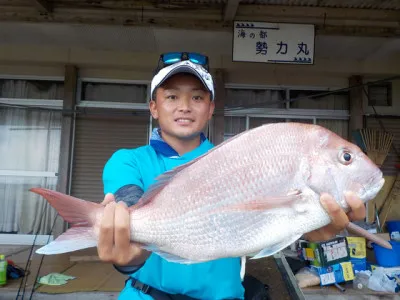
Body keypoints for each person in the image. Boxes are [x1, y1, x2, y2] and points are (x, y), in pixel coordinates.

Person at [98, 52, 366, 300]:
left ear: (211, 108)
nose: (184, 107)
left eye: (197, 97)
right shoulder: (127, 160)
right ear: (153, 107)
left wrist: (305, 228)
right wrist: (128, 254)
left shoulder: (239, 161)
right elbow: (128, 202)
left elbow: (264, 223)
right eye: (171, 97)